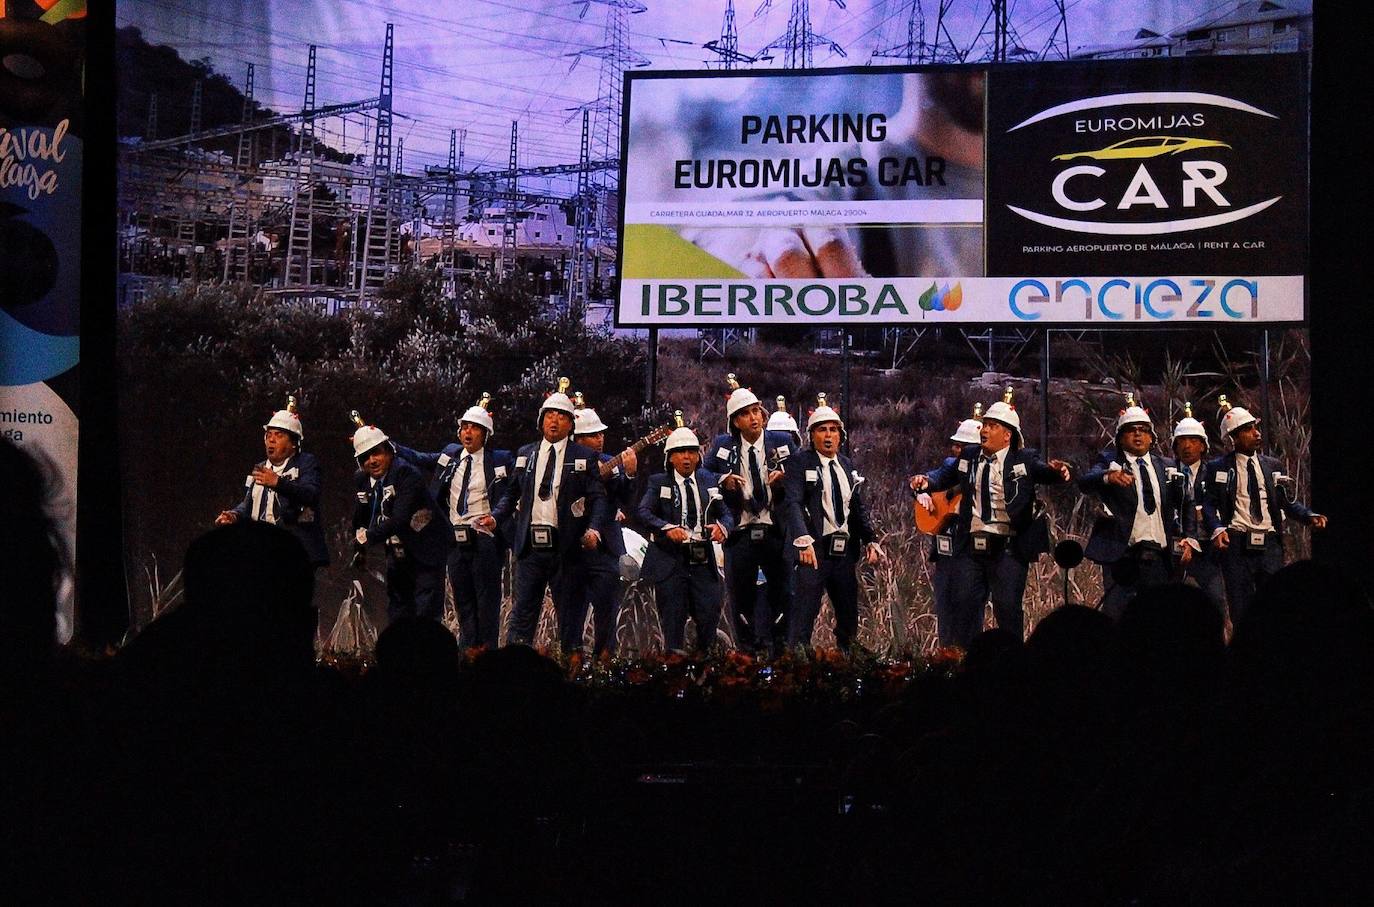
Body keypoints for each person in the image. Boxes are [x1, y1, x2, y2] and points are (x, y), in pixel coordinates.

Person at [910, 387, 1072, 643]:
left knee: (1007, 608)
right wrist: (925, 481)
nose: (984, 430)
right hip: (972, 547)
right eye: (984, 425)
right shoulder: (970, 456)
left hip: (1007, 548)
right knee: (964, 606)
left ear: (1007, 435)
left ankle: (1010, 665)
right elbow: (943, 477)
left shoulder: (1024, 460)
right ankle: (965, 665)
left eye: (992, 426)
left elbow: (1045, 473)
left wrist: (1059, 472)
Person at [491, 378, 607, 648]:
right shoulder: (525, 453)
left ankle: (569, 674)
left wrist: (594, 529)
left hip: (566, 549)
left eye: (561, 416)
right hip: (530, 548)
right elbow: (511, 494)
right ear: (541, 420)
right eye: (549, 415)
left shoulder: (584, 456)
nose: (554, 421)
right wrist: (495, 517)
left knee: (569, 619)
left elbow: (598, 499)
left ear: (571, 423)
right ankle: (515, 670)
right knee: (522, 616)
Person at [393, 394, 513, 649]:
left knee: (486, 599)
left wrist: (496, 517)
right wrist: (387, 445)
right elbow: (419, 457)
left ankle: (487, 651)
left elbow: (513, 492)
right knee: (463, 598)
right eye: (464, 427)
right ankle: (467, 650)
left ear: (485, 434)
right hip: (454, 538)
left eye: (475, 428)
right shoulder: (451, 455)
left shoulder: (500, 459)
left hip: (484, 537)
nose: (468, 433)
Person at [1202, 396, 1327, 626]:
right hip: (1237, 544)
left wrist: (1308, 515)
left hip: (1269, 544)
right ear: (1234, 436)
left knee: (1274, 603)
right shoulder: (1217, 467)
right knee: (1240, 606)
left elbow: (1286, 502)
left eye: (1256, 428)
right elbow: (1209, 504)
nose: (1256, 433)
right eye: (1248, 430)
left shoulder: (1272, 465)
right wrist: (1217, 529)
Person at [704, 374, 797, 655]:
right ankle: (746, 654)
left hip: (774, 530)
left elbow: (805, 475)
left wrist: (786, 478)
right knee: (740, 595)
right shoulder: (723, 445)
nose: (753, 418)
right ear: (735, 421)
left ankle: (780, 651)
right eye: (745, 414)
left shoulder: (781, 441)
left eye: (756, 411)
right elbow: (702, 474)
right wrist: (723, 480)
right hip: (740, 532)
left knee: (783, 593)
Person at [783, 394, 880, 654]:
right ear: (812, 435)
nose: (828, 436)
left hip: (843, 552)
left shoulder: (846, 465)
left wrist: (871, 539)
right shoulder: (799, 463)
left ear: (841, 435)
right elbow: (792, 502)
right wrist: (802, 540)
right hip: (813, 550)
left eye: (833, 430)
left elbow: (856, 506)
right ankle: (797, 666)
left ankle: (846, 665)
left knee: (848, 614)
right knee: (804, 614)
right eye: (822, 430)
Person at [1077, 394, 1189, 620]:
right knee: (1118, 618)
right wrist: (1109, 477)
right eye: (1131, 430)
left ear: (1151, 437)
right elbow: (1086, 481)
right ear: (1120, 438)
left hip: (1159, 557)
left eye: (1143, 429)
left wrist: (1189, 537)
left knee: (1158, 619)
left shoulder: (1166, 465)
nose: (1137, 434)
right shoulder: (1109, 461)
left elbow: (1186, 503)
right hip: (1123, 556)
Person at [637, 412, 733, 653]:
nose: (687, 457)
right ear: (670, 458)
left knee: (709, 618)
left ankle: (704, 670)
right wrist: (667, 528)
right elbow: (644, 512)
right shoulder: (658, 482)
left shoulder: (708, 480)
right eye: (680, 452)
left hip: (702, 560)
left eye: (691, 451)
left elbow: (727, 514)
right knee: (672, 625)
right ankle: (674, 674)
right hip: (671, 561)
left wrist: (722, 528)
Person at [349, 412, 453, 622]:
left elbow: (400, 518)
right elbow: (361, 516)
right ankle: (400, 652)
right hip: (398, 551)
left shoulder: (407, 474)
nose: (372, 461)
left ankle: (425, 654)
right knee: (398, 609)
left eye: (376, 453)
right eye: (365, 457)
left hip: (428, 547)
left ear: (388, 452)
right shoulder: (361, 479)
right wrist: (359, 547)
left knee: (425, 611)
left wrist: (368, 538)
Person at [216, 395, 328, 569]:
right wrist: (234, 515)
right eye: (268, 435)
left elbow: (310, 495)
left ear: (293, 443)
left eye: (279, 435)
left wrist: (279, 483)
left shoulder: (306, 462)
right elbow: (248, 503)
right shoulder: (260, 467)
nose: (271, 439)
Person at [568, 392, 639, 655]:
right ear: (578, 439)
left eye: (601, 434)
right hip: (573, 546)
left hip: (606, 547)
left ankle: (605, 664)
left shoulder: (612, 462)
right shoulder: (566, 461)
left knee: (607, 612)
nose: (600, 439)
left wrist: (630, 474)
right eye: (593, 435)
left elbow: (626, 497)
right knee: (572, 613)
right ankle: (571, 661)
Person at [909, 404, 984, 647]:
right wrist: (921, 490)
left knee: (969, 615)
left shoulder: (990, 471)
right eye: (955, 444)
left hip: (972, 552)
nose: (956, 450)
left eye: (962, 447)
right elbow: (931, 479)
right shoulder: (952, 464)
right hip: (946, 553)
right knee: (945, 612)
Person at [1170, 402, 1227, 619]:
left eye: (1193, 441)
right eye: (1182, 441)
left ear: (1203, 446)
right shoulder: (1165, 471)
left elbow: (1224, 504)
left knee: (1215, 599)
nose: (1187, 446)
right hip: (1174, 546)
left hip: (1206, 548)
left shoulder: (1215, 473)